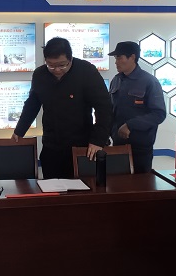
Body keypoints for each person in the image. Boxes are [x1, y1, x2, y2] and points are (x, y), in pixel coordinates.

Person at [12, 37, 112, 179]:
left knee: (82, 188)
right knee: (51, 187)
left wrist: (98, 140)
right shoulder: (40, 74)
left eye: (62, 65)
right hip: (51, 145)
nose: (57, 70)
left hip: (81, 146)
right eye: (51, 65)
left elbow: (104, 107)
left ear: (70, 59)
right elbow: (32, 104)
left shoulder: (86, 71)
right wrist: (19, 130)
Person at [108, 41, 166, 173]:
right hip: (118, 145)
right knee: (117, 182)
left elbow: (159, 114)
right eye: (115, 58)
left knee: (140, 184)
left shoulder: (149, 82)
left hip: (140, 148)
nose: (116, 62)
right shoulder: (116, 80)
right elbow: (110, 110)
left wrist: (130, 125)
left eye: (119, 58)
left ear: (132, 57)